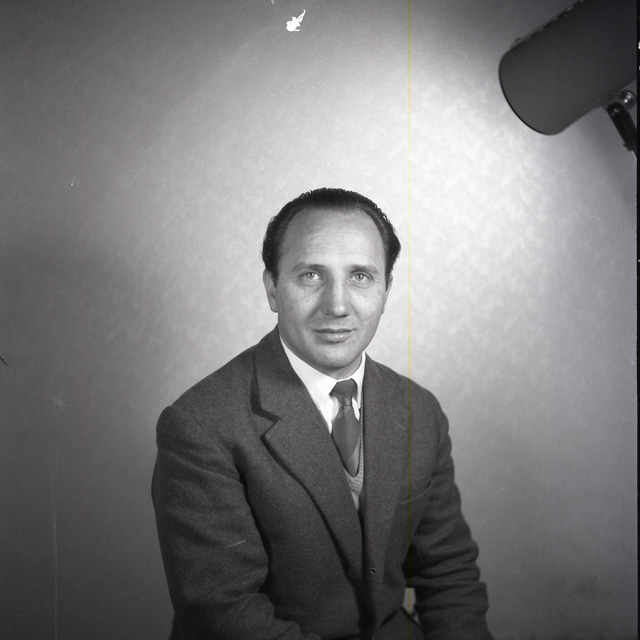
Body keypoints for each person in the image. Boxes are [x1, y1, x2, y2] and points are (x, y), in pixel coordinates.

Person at [152, 187, 493, 640]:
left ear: (386, 290)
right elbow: (226, 614)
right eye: (311, 275)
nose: (337, 305)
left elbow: (448, 573)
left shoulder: (420, 411)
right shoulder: (201, 425)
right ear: (273, 289)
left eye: (360, 276)